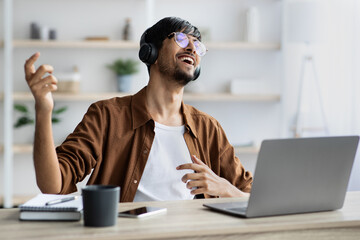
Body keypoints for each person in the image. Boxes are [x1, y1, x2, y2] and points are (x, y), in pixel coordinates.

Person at [24, 17, 253, 202]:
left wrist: (225, 188)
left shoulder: (208, 127)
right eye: (182, 38)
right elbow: (52, 186)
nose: (192, 47)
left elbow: (251, 195)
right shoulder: (107, 116)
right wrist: (43, 110)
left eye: (197, 44)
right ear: (150, 53)